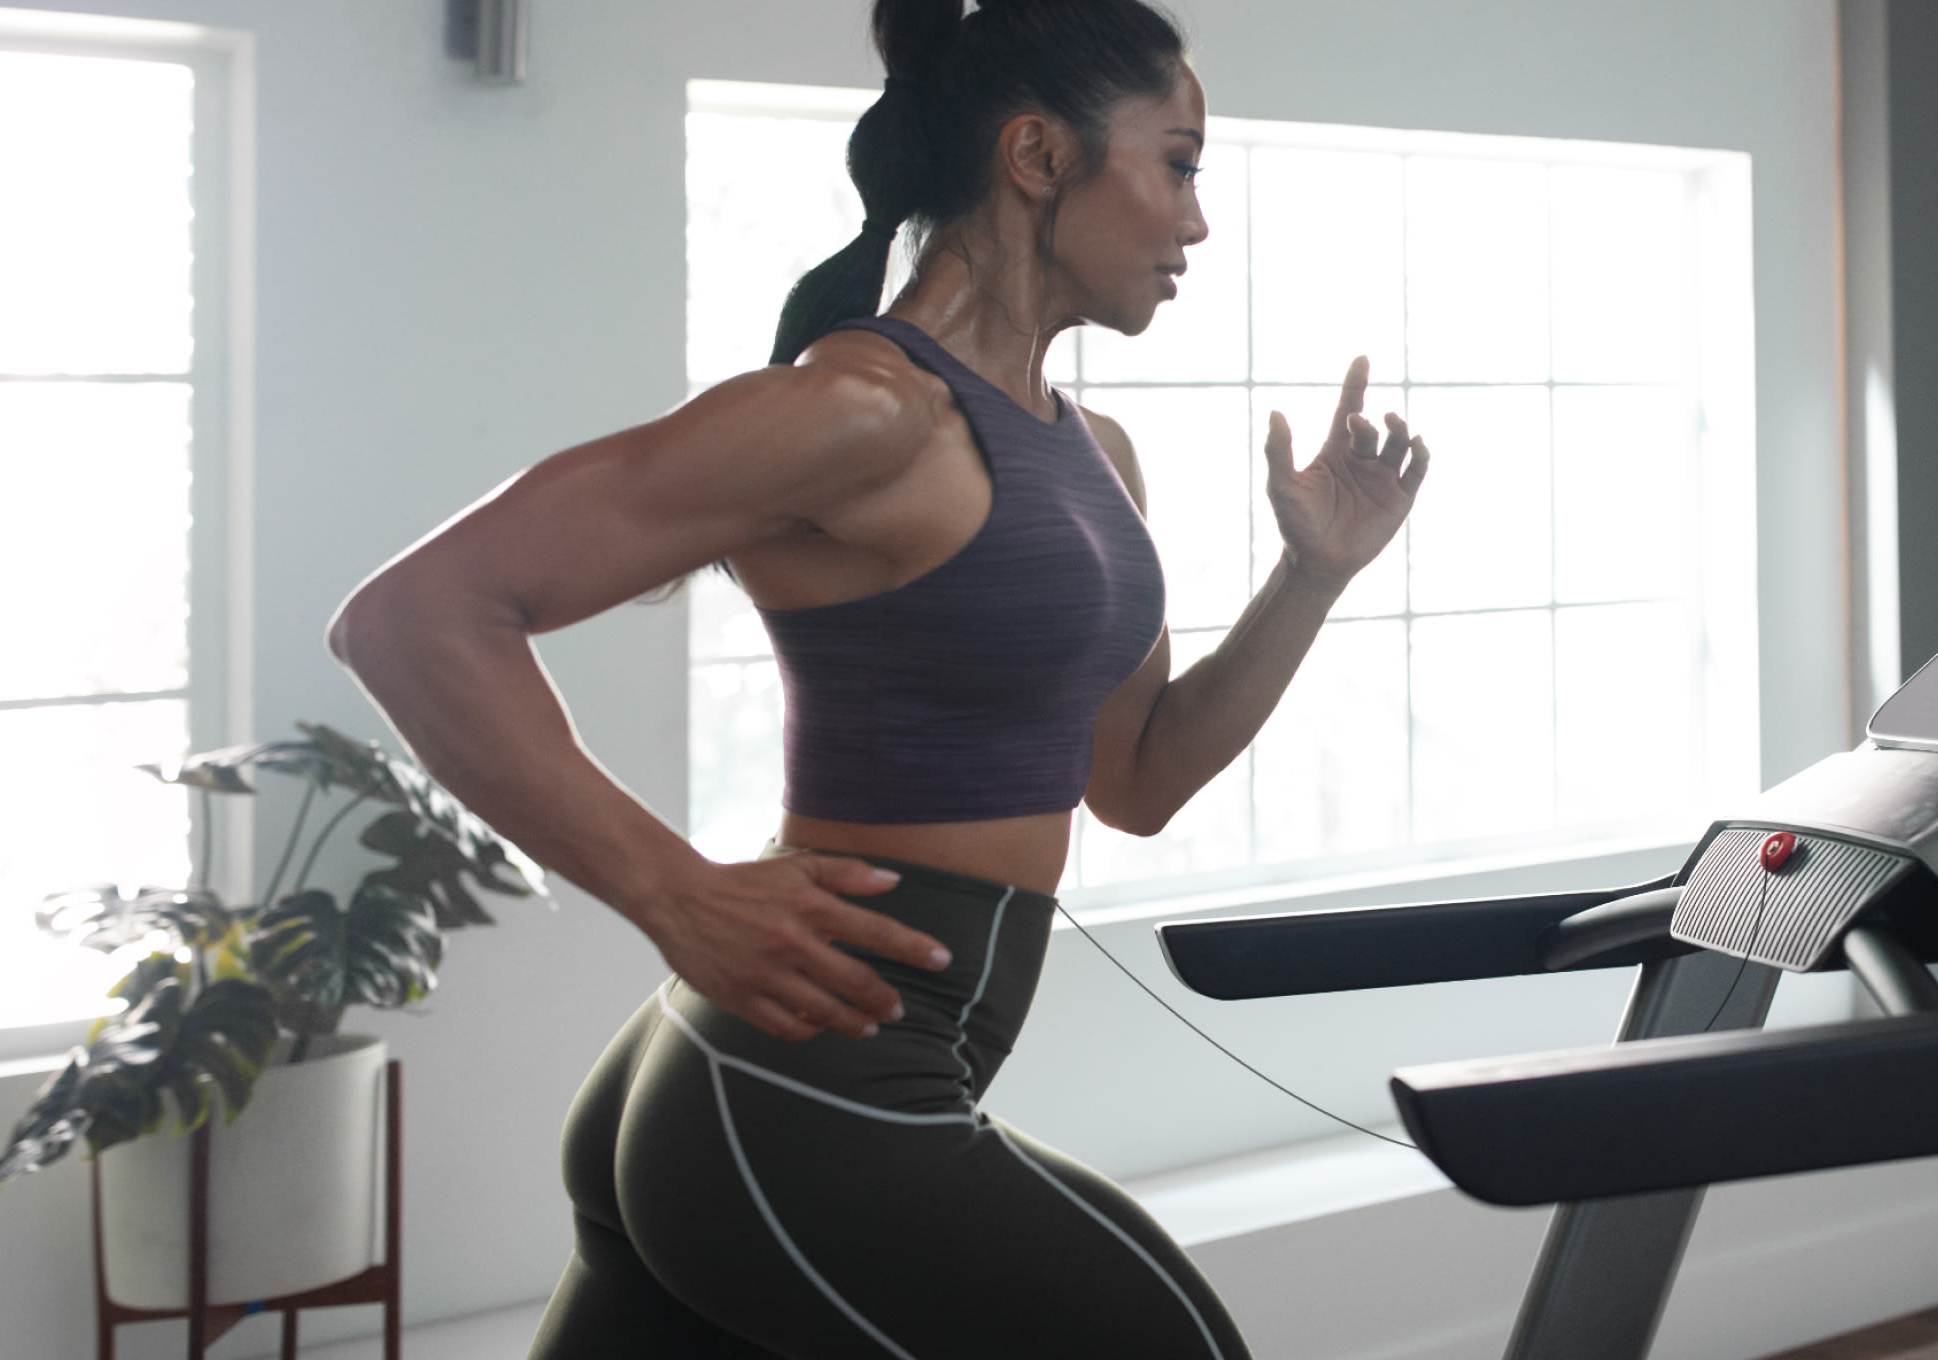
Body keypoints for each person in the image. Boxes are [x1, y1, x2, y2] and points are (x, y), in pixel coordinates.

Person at [327, 2, 1426, 1355]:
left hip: (767, 1097)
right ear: (1038, 155)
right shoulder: (865, 412)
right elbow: (414, 617)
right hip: (800, 1099)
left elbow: (1135, 780)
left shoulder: (1096, 453)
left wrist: (1310, 577)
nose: (1197, 221)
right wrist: (675, 892)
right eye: (1181, 163)